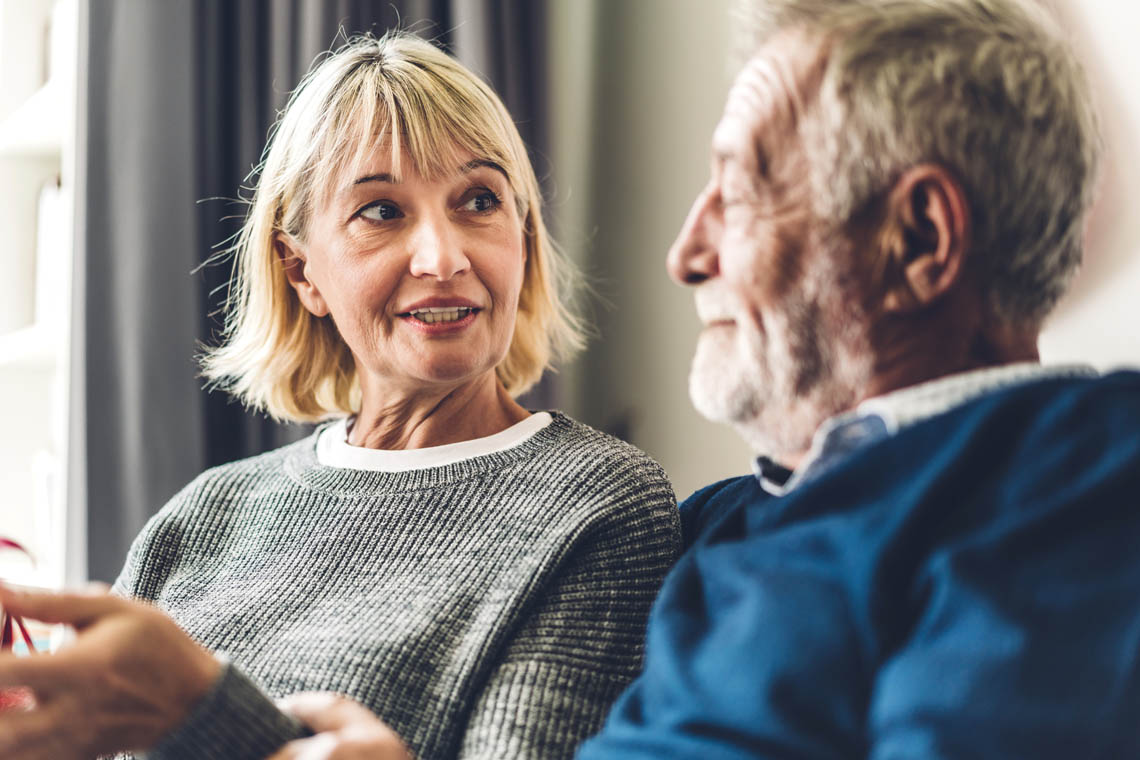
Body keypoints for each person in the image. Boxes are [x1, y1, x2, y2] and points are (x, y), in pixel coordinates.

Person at [236, 0, 1140, 757]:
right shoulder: (722, 523)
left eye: (741, 190)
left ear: (920, 241)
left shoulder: (1083, 484)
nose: (685, 252)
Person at [0, 32, 681, 760]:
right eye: (382, 211)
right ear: (303, 274)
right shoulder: (202, 517)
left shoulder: (600, 503)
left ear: (522, 234)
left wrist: (201, 710)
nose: (444, 257)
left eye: (479, 200)